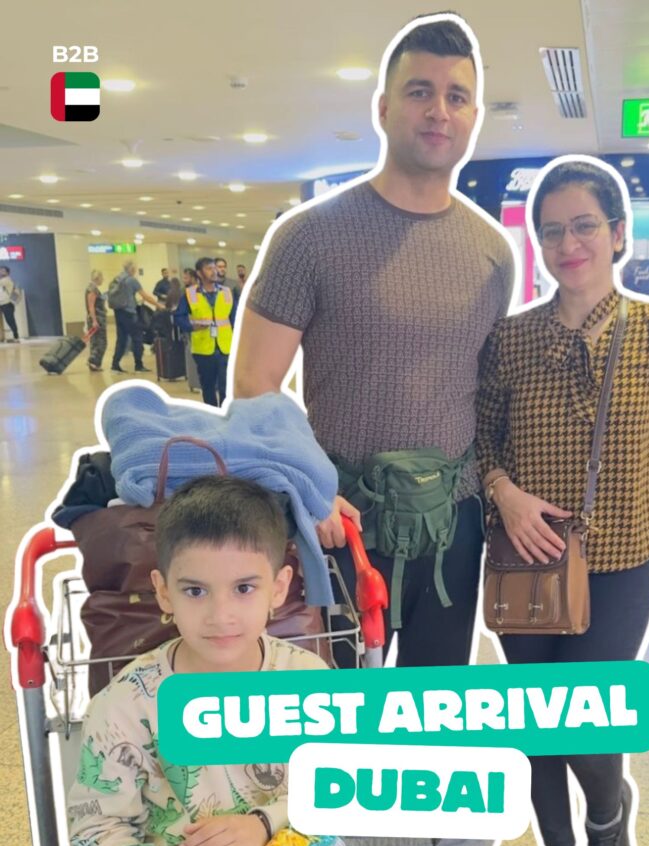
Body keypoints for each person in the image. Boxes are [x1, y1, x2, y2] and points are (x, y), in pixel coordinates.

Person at [476, 157, 649, 846]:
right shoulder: (511, 339)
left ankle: (608, 813)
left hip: (620, 560)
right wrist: (507, 495)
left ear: (616, 234)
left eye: (583, 226)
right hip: (525, 559)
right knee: (535, 716)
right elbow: (481, 441)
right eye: (551, 231)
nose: (566, 244)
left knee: (585, 715)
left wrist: (621, 497)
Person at [233, 15, 516, 668]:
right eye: (420, 91)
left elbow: (482, 391)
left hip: (452, 522)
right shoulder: (310, 237)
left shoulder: (491, 253)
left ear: (473, 118)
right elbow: (254, 383)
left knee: (435, 705)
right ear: (383, 108)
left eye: (456, 96)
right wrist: (307, 489)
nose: (438, 110)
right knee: (335, 705)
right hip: (340, 520)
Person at [68, 475, 331, 846]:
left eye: (244, 588)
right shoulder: (124, 705)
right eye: (195, 591)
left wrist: (263, 823)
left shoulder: (308, 682)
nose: (220, 615)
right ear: (163, 592)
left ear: (279, 587)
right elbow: (96, 828)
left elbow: (342, 782)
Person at [174, 256, 235, 406]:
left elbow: (235, 318)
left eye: (215, 268)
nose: (214, 271)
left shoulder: (226, 292)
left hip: (225, 347)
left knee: (226, 387)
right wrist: (192, 326)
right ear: (199, 273)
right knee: (208, 386)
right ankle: (212, 414)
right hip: (203, 348)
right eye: (209, 269)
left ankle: (225, 414)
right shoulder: (190, 294)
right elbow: (178, 316)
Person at [110, 259, 163, 374]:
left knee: (121, 339)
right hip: (129, 313)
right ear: (132, 269)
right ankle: (138, 365)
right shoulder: (132, 280)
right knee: (137, 338)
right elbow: (145, 296)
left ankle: (115, 365)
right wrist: (158, 305)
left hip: (118, 312)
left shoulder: (118, 278)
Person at [85, 269, 107, 371]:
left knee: (95, 341)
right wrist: (94, 320)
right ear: (98, 278)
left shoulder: (92, 288)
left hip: (96, 318)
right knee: (101, 342)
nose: (103, 280)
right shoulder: (92, 289)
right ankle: (93, 361)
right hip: (97, 318)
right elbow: (91, 306)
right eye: (102, 278)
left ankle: (94, 363)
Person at [0, 266, 20, 342]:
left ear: (8, 273)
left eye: (3, 271)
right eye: (0, 271)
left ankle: (16, 336)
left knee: (10, 320)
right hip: (1, 303)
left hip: (7, 303)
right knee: (10, 320)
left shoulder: (7, 280)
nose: (1, 272)